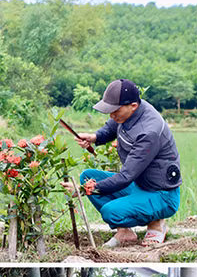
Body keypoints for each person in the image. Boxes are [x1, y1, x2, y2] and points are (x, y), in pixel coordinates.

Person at [61, 79, 181, 247]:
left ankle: (156, 222)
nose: (111, 115)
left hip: (161, 193)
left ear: (132, 105)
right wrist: (95, 137)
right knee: (88, 177)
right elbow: (111, 127)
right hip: (139, 184)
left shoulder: (149, 131)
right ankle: (124, 232)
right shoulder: (130, 112)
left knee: (110, 211)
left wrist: (83, 190)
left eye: (115, 110)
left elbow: (125, 176)